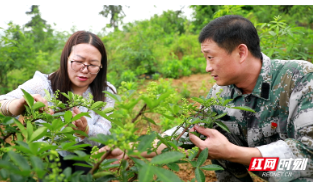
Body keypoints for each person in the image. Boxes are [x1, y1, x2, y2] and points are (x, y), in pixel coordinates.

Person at [101, 15, 313, 182]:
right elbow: (188, 132)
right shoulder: (221, 93)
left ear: (241, 53)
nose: (207, 67)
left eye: (211, 57)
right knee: (212, 138)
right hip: (263, 166)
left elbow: (308, 157)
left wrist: (235, 153)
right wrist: (130, 149)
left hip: (301, 170)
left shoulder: (300, 77)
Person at [0, 31, 117, 174]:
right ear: (66, 58)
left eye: (93, 64)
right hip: (50, 155)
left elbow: (103, 133)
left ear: (101, 67)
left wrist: (86, 130)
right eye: (78, 62)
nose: (84, 69)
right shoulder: (43, 85)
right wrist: (16, 105)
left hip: (88, 156)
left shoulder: (106, 92)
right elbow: (2, 101)